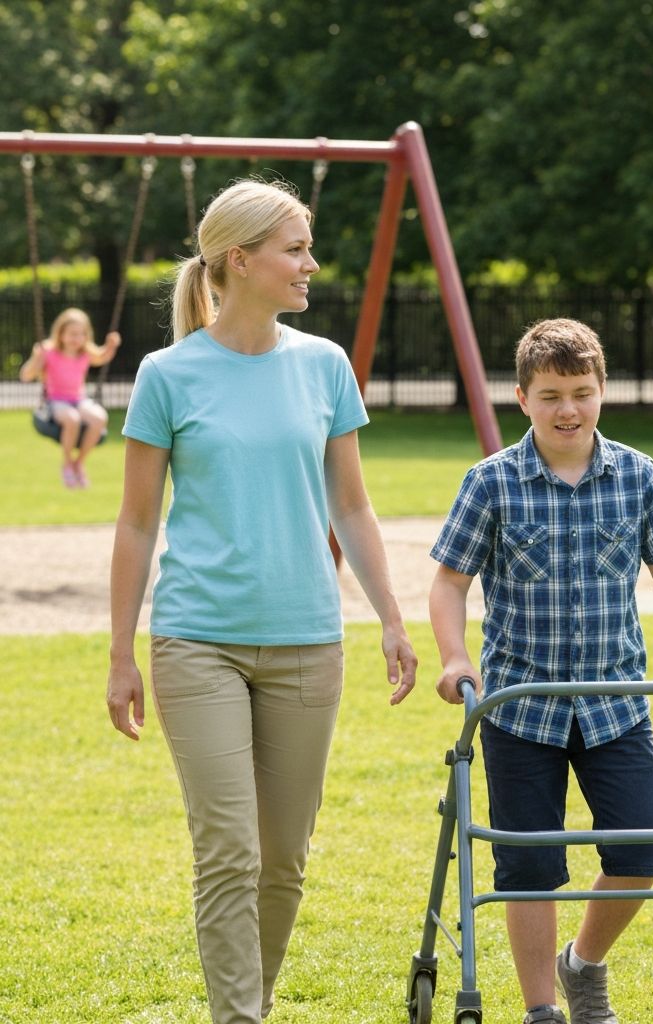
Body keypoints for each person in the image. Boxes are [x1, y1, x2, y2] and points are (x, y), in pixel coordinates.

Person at [106, 178, 418, 1024]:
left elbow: (351, 505)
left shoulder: (323, 367)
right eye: (295, 249)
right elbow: (137, 526)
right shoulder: (167, 375)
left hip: (308, 640)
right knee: (229, 852)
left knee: (283, 858)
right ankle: (238, 1018)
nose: (310, 265)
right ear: (239, 261)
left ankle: (252, 1001)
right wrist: (119, 653)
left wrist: (392, 615)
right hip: (195, 641)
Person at [429, 318, 653, 1024]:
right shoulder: (493, 482)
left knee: (641, 849)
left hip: (615, 702)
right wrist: (454, 658)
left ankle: (584, 964)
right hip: (519, 706)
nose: (567, 409)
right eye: (550, 395)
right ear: (522, 399)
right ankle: (542, 1008)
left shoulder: (637, 474)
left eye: (581, 392)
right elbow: (449, 582)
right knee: (529, 867)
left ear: (602, 392)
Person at [18, 306, 121, 487]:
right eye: (72, 333)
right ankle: (66, 463)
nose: (76, 338)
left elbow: (102, 357)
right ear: (60, 333)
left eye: (81, 334)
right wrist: (37, 358)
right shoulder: (49, 352)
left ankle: (79, 463)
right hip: (56, 401)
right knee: (72, 419)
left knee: (100, 418)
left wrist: (111, 346)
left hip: (78, 399)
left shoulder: (85, 352)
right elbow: (25, 376)